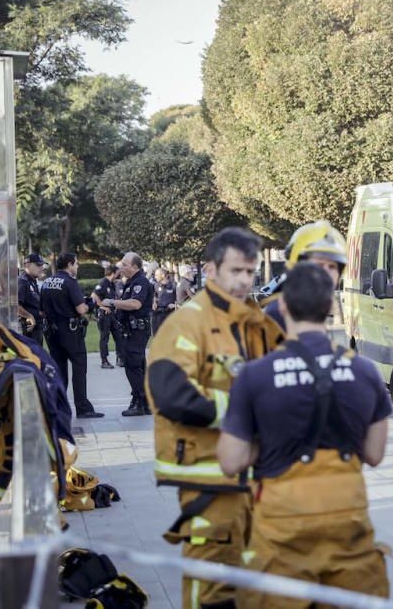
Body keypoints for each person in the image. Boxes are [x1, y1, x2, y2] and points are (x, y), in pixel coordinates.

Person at [218, 262, 392, 607]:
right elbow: (374, 453)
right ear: (330, 306)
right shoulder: (364, 370)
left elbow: (230, 461)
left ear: (282, 306)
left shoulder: (254, 377)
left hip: (282, 530)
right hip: (347, 524)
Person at [146, 227, 282, 609]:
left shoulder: (247, 322)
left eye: (249, 272)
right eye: (234, 271)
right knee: (211, 586)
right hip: (208, 478)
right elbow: (172, 395)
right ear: (210, 270)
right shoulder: (186, 323)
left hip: (249, 477)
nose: (243, 281)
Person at [41, 252, 102, 419]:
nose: (77, 266)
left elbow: (41, 311)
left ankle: (58, 406)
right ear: (69, 264)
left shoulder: (46, 282)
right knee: (79, 368)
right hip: (70, 331)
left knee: (59, 369)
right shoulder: (69, 282)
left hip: (52, 333)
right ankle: (83, 407)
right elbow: (81, 309)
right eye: (76, 263)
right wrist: (92, 303)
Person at [262, 220, 348, 331]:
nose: (326, 272)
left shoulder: (313, 309)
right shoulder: (278, 314)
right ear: (297, 267)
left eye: (332, 267)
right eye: (319, 265)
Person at [102, 253, 154, 417]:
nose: (120, 267)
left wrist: (112, 302)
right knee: (139, 366)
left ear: (135, 266)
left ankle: (138, 402)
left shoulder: (140, 282)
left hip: (137, 330)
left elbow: (135, 304)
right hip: (131, 330)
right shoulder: (131, 282)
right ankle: (145, 402)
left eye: (124, 264)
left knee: (132, 366)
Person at [91, 265, 123, 369]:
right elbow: (94, 296)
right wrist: (103, 307)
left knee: (118, 335)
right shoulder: (103, 282)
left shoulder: (111, 284)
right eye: (117, 273)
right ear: (113, 273)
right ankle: (104, 361)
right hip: (104, 315)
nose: (119, 275)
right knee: (104, 338)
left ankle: (120, 358)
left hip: (112, 314)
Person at [17, 253, 47, 345]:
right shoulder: (22, 282)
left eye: (42, 265)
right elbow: (15, 305)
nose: (41, 268)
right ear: (27, 265)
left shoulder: (32, 281)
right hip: (28, 331)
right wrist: (29, 316)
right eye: (38, 265)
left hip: (36, 330)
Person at [152, 268, 177, 335]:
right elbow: (155, 295)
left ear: (163, 275)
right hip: (158, 313)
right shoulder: (156, 285)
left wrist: (174, 305)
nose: (155, 277)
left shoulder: (173, 285)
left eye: (157, 275)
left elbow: (179, 299)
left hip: (170, 313)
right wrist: (154, 302)